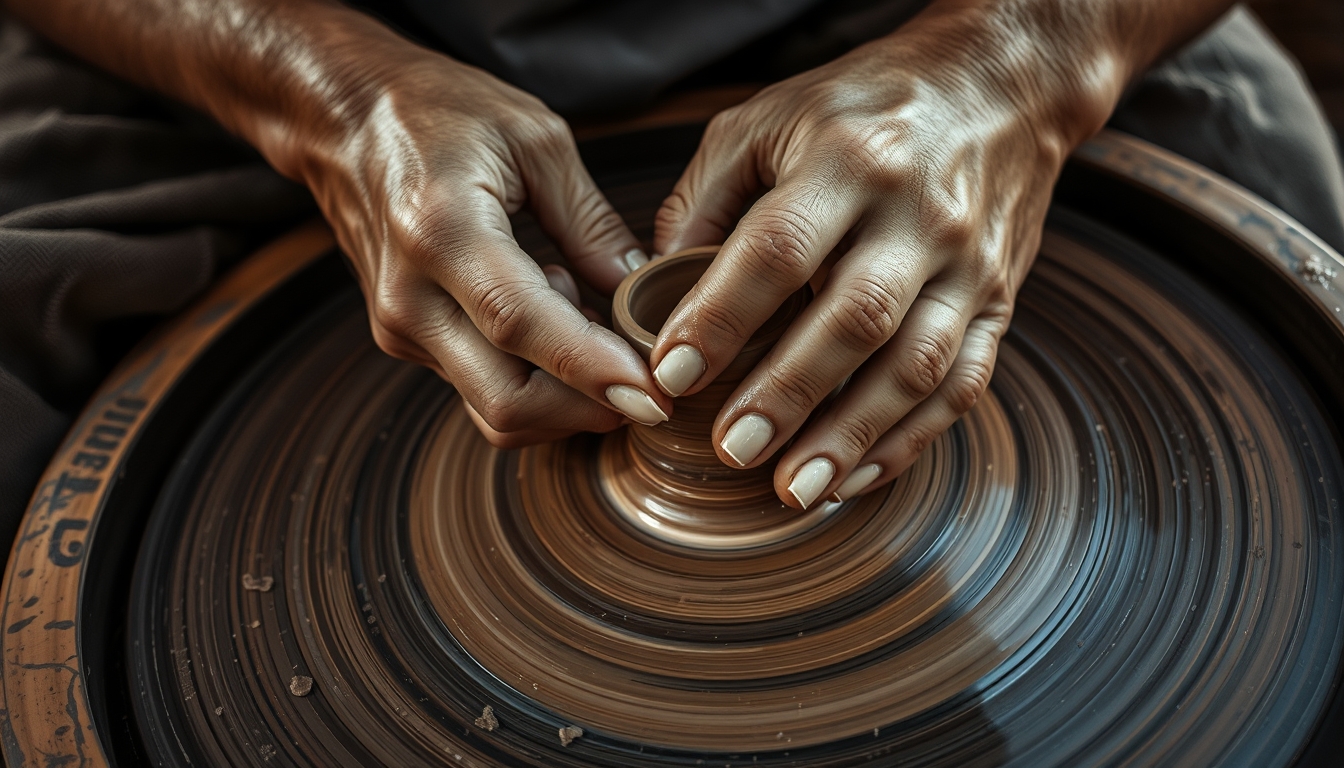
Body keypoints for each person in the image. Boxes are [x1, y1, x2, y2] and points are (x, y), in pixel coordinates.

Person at [1, 0, 1341, 528]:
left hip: (928, 26)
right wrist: (318, 90)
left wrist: (1037, 58)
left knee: (1282, 257)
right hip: (274, 47)